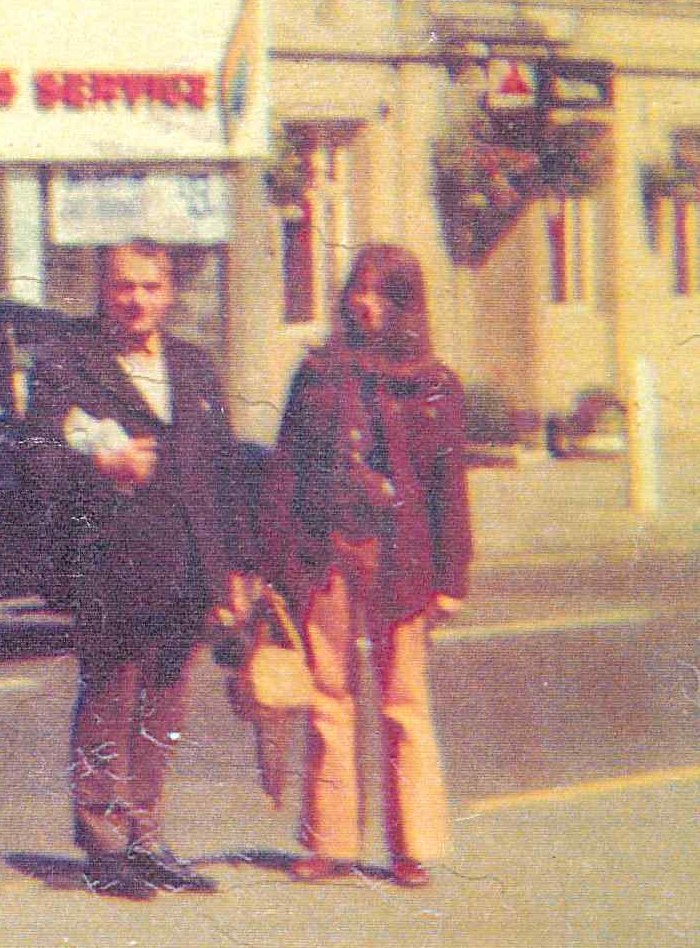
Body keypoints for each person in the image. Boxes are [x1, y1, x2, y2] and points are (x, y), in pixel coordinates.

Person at [30, 239, 251, 899]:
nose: (136, 299)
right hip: (111, 560)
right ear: (102, 288)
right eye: (123, 286)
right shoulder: (70, 361)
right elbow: (36, 452)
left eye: (149, 287)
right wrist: (99, 462)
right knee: (108, 698)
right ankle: (102, 843)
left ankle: (146, 835)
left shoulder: (192, 364)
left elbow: (221, 472)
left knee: (164, 700)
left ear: (168, 291)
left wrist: (234, 567)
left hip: (185, 563)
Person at [262, 242, 471, 889]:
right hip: (327, 547)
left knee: (402, 699)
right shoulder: (318, 374)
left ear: (404, 304)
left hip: (402, 555)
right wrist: (276, 556)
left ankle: (411, 844)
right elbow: (285, 470)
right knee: (327, 693)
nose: (364, 302)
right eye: (358, 288)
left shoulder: (433, 382)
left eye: (381, 293)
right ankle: (329, 839)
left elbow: (447, 486)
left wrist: (452, 575)